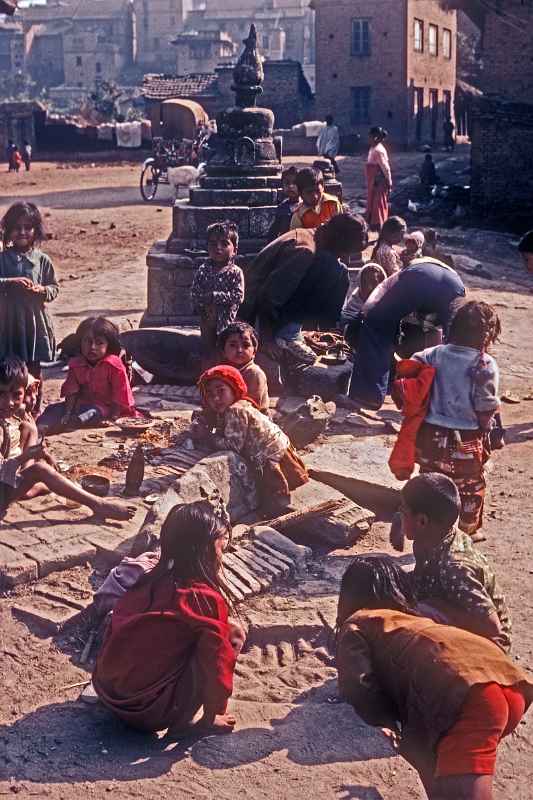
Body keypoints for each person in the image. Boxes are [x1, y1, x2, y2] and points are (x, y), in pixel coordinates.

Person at [336, 554, 533, 800]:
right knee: (433, 764)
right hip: (507, 684)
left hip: (469, 697)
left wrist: (385, 720)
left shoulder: (357, 623)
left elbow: (358, 684)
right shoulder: (414, 621)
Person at [92, 501, 244, 735]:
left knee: (203, 632)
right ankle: (191, 722)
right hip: (147, 712)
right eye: (220, 544)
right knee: (232, 634)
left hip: (109, 692)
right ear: (204, 550)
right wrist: (215, 712)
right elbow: (218, 666)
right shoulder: (203, 599)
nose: (222, 551)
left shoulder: (149, 580)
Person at [0, 357, 136, 520]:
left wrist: (40, 453)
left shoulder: (13, 416)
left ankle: (47, 483)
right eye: (1, 394)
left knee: (29, 429)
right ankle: (98, 504)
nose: (9, 402)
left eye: (16, 395)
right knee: (40, 470)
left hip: (7, 479)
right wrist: (27, 457)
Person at [411, 300, 501, 540]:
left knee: (430, 484)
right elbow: (485, 407)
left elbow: (413, 364)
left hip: (429, 436)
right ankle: (466, 533)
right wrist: (488, 428)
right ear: (488, 335)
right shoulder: (484, 364)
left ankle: (427, 529)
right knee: (470, 488)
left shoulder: (435, 354)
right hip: (466, 440)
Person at [398, 473, 511, 652]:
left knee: (414, 615)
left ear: (422, 521)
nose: (399, 516)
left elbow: (493, 629)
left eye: (403, 511)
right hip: (457, 618)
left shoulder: (454, 568)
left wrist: (434, 611)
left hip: (489, 646)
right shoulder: (429, 539)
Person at [242, 213, 367, 368]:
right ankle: (288, 334)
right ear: (338, 241)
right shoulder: (304, 250)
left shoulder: (314, 237)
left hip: (274, 308)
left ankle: (316, 332)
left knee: (341, 271)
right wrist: (267, 340)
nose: (346, 258)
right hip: (253, 313)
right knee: (332, 267)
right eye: (346, 252)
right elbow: (269, 297)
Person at [347, 259, 465, 411]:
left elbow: (373, 303)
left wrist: (364, 314)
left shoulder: (391, 281)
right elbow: (433, 333)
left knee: (376, 324)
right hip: (456, 287)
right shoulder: (438, 271)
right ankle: (448, 404)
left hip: (420, 277)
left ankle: (367, 397)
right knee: (457, 346)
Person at [193, 365, 308, 516]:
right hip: (280, 447)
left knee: (272, 498)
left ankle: (279, 511)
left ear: (234, 389)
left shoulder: (235, 410)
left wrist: (207, 436)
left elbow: (233, 446)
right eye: (210, 395)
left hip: (271, 455)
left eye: (221, 391)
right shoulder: (239, 405)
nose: (216, 398)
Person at [0, 202, 59, 414]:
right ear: (8, 231)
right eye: (17, 227)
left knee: (33, 369)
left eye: (28, 227)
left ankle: (33, 412)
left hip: (33, 326)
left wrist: (42, 290)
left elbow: (54, 288)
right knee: (7, 368)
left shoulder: (42, 260)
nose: (22, 232)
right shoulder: (2, 259)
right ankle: (8, 409)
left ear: (36, 230)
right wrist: (9, 282)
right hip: (7, 325)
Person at [38, 317, 140, 433]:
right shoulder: (76, 363)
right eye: (87, 341)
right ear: (80, 342)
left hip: (105, 408)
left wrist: (113, 416)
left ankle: (66, 424)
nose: (92, 347)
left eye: (99, 343)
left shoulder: (113, 365)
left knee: (89, 413)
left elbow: (120, 393)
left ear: (109, 345)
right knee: (52, 409)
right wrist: (67, 412)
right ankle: (41, 428)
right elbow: (72, 391)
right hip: (80, 404)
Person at [190, 221, 244, 360]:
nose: (218, 248)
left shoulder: (235, 272)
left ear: (235, 249)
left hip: (227, 322)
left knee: (226, 352)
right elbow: (194, 293)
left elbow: (238, 296)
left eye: (224, 244)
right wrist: (202, 304)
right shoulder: (203, 270)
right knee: (208, 352)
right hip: (207, 321)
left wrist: (215, 296)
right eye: (213, 244)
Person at [217, 321, 269, 414]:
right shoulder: (222, 371)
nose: (239, 350)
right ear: (223, 351)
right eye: (233, 345)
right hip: (227, 414)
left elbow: (249, 406)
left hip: (251, 417)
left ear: (254, 351)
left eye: (246, 345)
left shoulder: (254, 374)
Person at [366, 126, 392, 231]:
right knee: (373, 202)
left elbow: (386, 168)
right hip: (373, 180)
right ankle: (373, 224)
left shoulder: (378, 150)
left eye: (370, 137)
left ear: (375, 137)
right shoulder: (373, 148)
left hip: (379, 180)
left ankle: (379, 226)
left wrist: (389, 181)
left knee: (379, 203)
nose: (369, 139)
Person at [267, 166, 300, 242]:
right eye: (287, 183)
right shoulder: (282, 208)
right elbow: (273, 232)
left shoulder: (306, 206)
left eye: (295, 183)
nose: (290, 186)